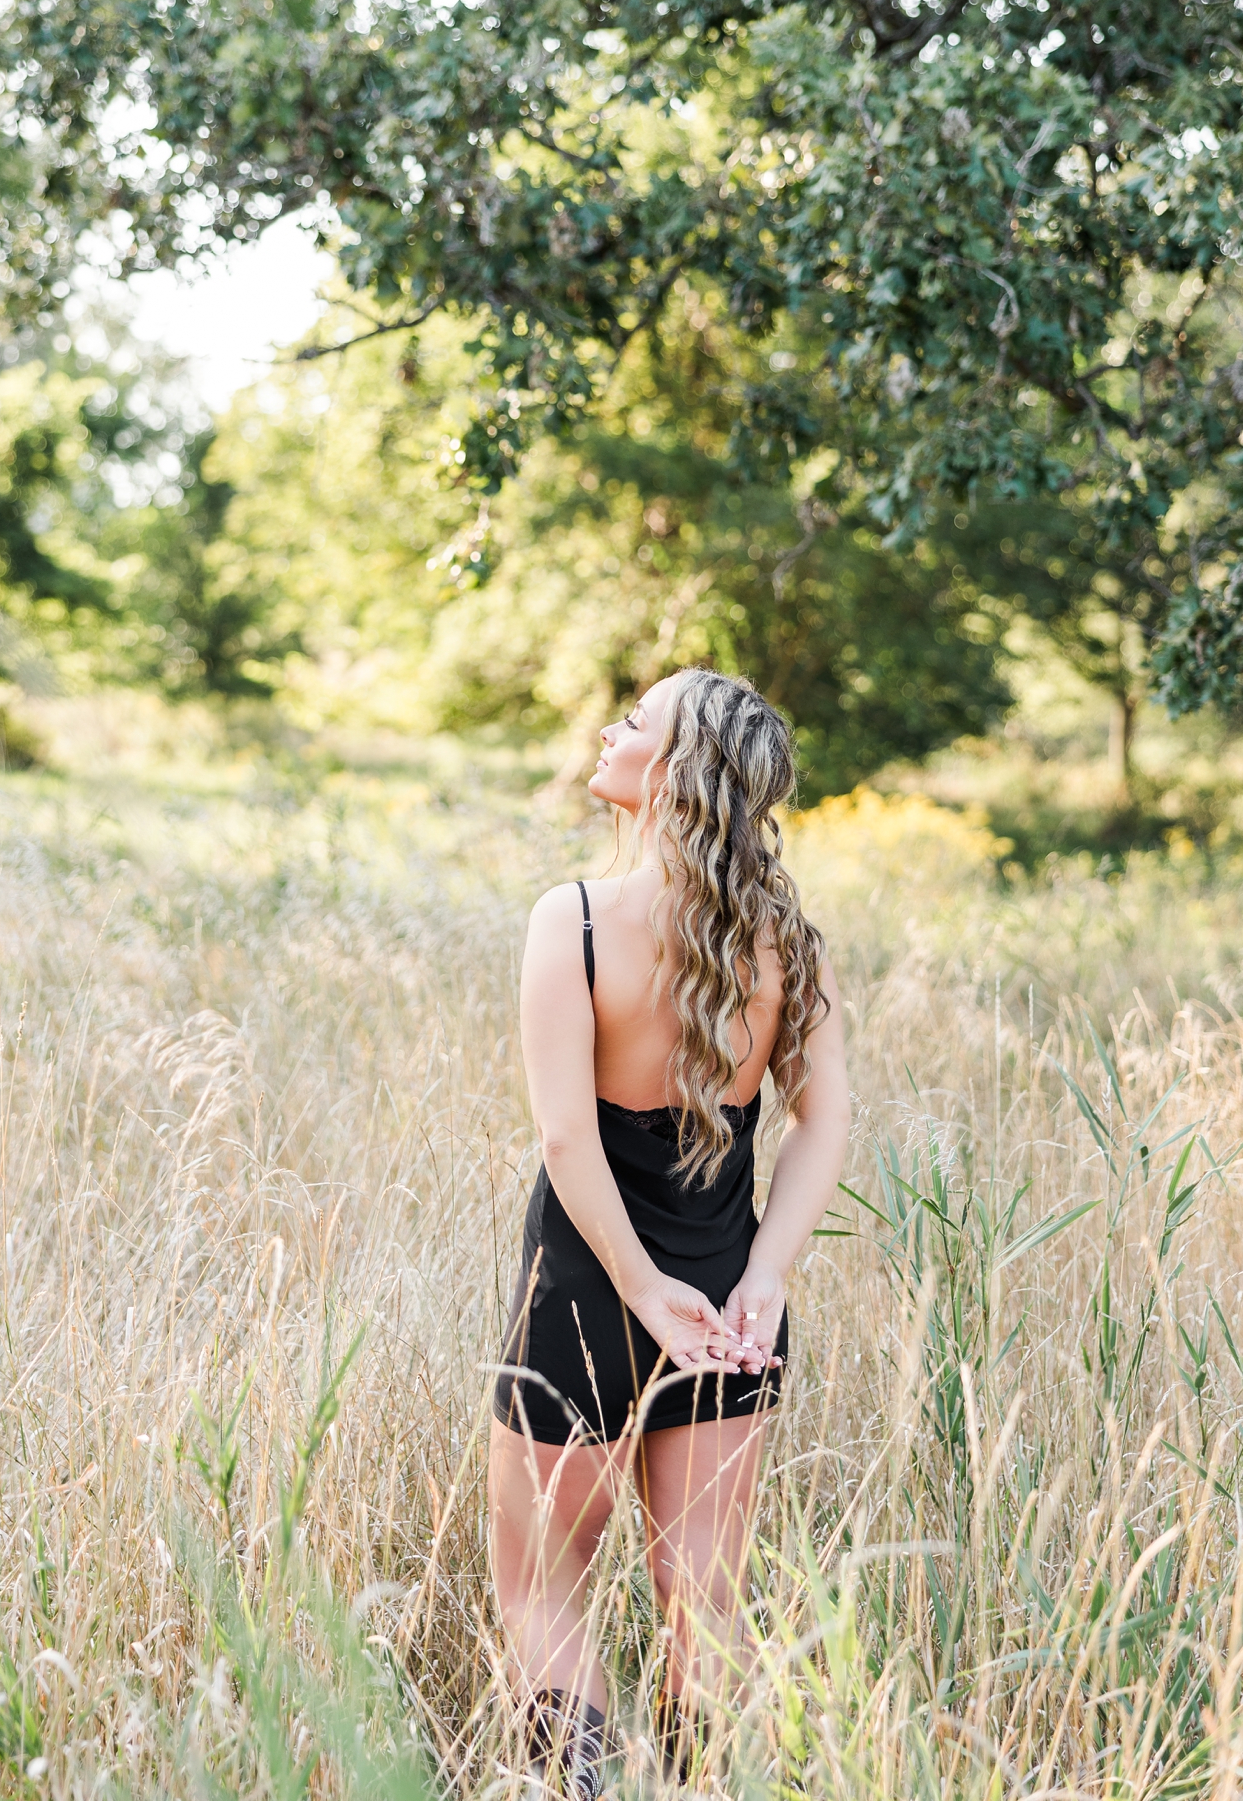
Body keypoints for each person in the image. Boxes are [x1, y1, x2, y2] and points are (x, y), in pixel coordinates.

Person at [489, 667, 850, 1791]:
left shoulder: (578, 920)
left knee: (542, 1589)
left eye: (634, 721)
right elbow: (824, 1118)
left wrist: (641, 1291)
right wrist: (767, 1278)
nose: (609, 729)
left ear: (677, 770)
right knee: (708, 1603)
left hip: (590, 1300)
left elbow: (566, 1141)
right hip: (728, 1303)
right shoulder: (784, 940)